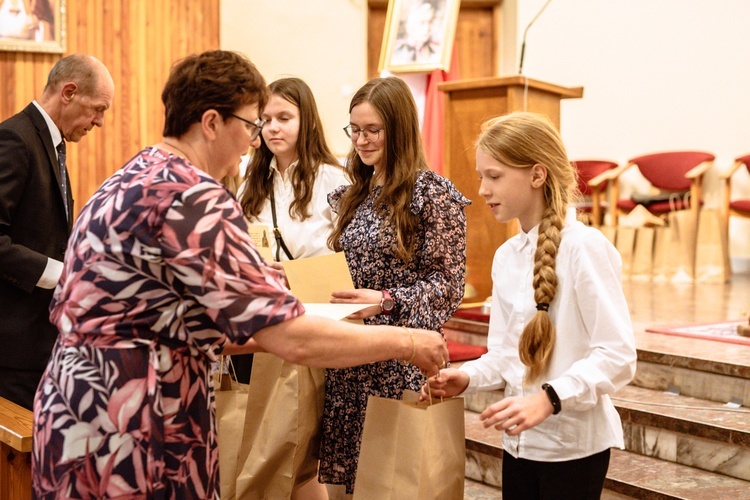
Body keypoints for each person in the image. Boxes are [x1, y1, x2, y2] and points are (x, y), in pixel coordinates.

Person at [30, 50, 449, 499]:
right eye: (251, 125)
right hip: (137, 425)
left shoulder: (124, 179)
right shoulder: (195, 197)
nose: (255, 141)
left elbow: (191, 325)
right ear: (212, 122)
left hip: (71, 413)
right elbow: (290, 338)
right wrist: (407, 341)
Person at [424, 111, 638, 499]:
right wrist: (467, 377)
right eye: (481, 176)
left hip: (572, 448)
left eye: (494, 176)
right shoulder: (508, 255)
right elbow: (507, 354)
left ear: (537, 175)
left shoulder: (583, 249)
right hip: (519, 445)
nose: (483, 190)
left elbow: (618, 354)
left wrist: (551, 398)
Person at [320, 76, 470, 496]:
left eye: (373, 130)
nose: (361, 140)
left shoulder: (431, 193)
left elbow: (449, 286)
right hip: (350, 360)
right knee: (349, 488)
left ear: (399, 130)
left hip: (401, 357)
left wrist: (386, 302)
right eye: (354, 129)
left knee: (395, 484)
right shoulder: (353, 195)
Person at [237, 76, 348, 499]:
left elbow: (340, 257)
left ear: (307, 121)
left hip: (310, 316)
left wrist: (290, 271)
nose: (272, 128)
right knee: (260, 438)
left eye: (284, 117)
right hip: (259, 317)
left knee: (299, 443)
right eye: (265, 119)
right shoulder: (250, 175)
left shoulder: (332, 179)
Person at [0, 54, 114, 411]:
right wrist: (61, 274)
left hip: (42, 341)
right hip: (13, 349)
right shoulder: (15, 139)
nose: (99, 122)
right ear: (68, 92)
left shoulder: (52, 144)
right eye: (98, 109)